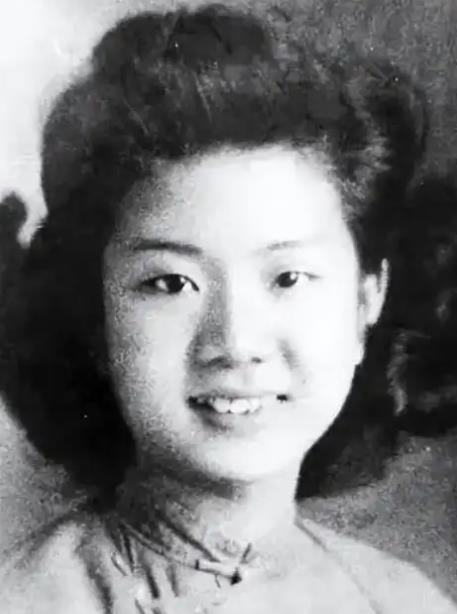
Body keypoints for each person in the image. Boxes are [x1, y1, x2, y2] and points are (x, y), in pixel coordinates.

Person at [0, 4, 455, 613]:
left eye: (289, 277)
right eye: (171, 283)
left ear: (365, 300)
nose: (236, 342)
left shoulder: (404, 603)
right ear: (95, 315)